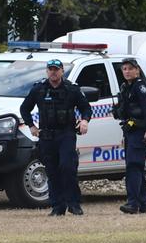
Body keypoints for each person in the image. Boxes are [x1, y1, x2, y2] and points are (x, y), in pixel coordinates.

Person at [20, 58, 92, 216]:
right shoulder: (39, 89)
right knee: (52, 171)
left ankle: (74, 204)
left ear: (61, 71)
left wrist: (85, 121)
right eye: (50, 69)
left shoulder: (71, 89)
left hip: (66, 134)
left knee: (68, 167)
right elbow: (24, 108)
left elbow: (86, 107)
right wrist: (31, 126)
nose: (53, 72)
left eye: (56, 69)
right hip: (46, 136)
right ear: (47, 71)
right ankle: (57, 206)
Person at [114, 57, 146, 214]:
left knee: (133, 166)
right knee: (137, 167)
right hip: (130, 131)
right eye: (124, 69)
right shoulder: (126, 87)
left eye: (130, 68)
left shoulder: (140, 87)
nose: (127, 71)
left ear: (137, 70)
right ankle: (142, 204)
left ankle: (133, 203)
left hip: (139, 131)